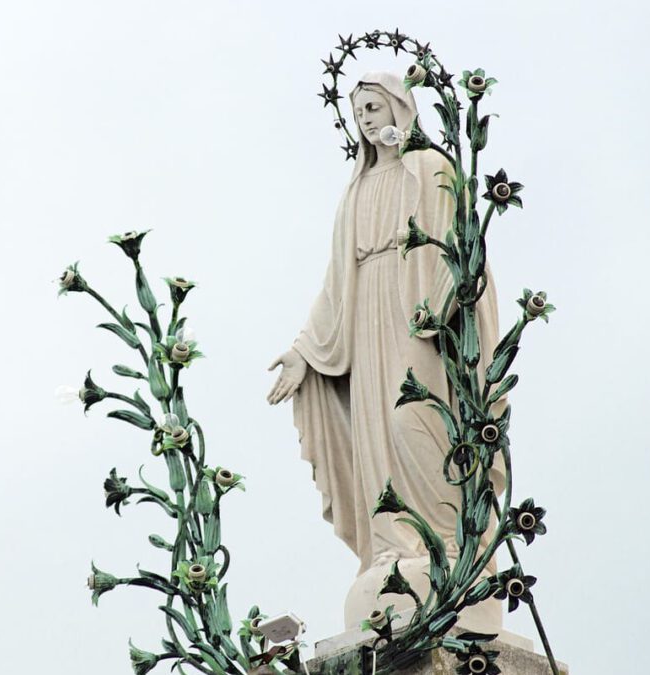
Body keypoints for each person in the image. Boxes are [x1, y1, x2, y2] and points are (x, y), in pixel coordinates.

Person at [266, 71, 503, 630]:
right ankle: (392, 548)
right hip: (366, 314)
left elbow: (460, 240)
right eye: (359, 113)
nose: (367, 120)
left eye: (374, 107)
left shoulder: (430, 168)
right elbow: (336, 281)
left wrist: (446, 300)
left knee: (414, 422)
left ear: (401, 107)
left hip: (414, 309)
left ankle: (445, 541)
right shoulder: (357, 190)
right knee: (374, 435)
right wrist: (305, 349)